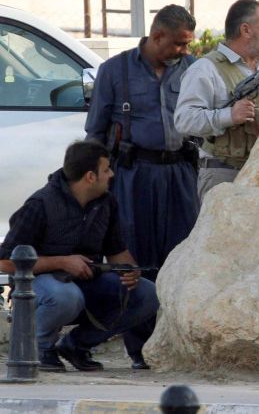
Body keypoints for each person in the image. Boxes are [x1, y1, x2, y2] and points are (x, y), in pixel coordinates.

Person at [84, 4, 199, 369]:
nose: (184, 51)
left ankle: (178, 344)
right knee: (134, 263)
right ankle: (141, 350)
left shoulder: (194, 70)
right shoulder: (114, 71)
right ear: (157, 36)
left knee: (182, 258)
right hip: (132, 178)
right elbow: (95, 135)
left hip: (180, 175)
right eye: (179, 44)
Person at [0, 141, 159, 372]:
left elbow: (116, 251)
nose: (111, 175)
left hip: (85, 281)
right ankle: (37, 347)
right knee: (66, 296)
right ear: (90, 177)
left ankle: (76, 346)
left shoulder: (106, 203)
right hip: (41, 285)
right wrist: (62, 262)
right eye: (106, 170)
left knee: (146, 294)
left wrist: (130, 270)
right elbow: (6, 262)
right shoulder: (40, 204)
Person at [175, 0, 259, 200]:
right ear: (246, 30)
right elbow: (183, 120)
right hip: (224, 176)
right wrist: (229, 116)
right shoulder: (206, 69)